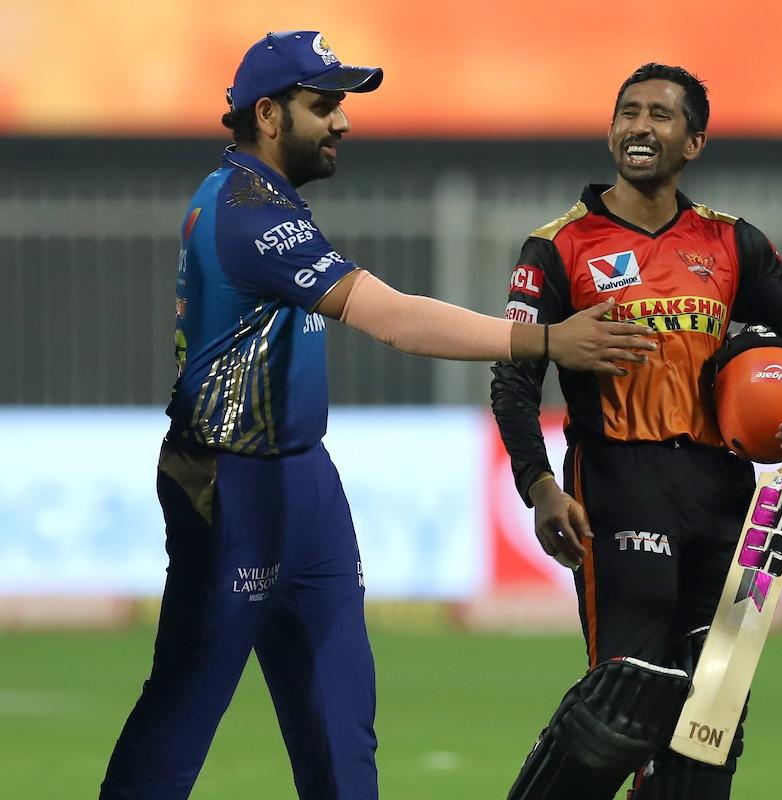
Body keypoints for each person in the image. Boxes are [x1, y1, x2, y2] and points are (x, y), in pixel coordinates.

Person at [98, 31, 654, 800]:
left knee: (342, 728)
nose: (342, 122)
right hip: (230, 488)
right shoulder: (245, 211)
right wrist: (550, 339)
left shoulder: (267, 201)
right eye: (322, 105)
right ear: (267, 113)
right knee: (184, 712)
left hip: (304, 485)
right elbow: (392, 319)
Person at [490, 63, 782, 799]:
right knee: (627, 700)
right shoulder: (557, 248)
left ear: (694, 141)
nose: (639, 127)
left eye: (660, 116)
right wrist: (539, 486)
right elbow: (513, 380)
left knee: (712, 717)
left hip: (725, 491)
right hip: (617, 481)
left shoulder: (733, 244)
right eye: (628, 112)